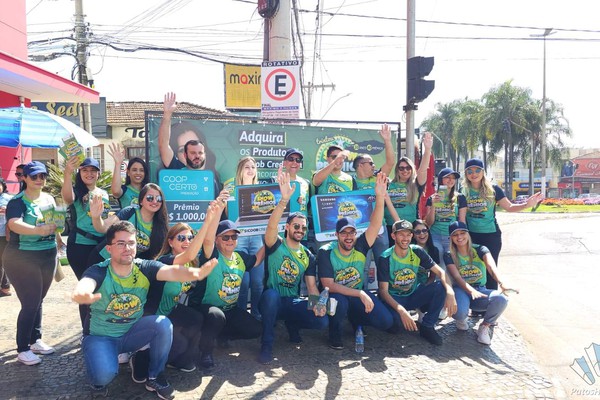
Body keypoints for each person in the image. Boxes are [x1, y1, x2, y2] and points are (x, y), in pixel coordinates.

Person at [71, 220, 218, 398]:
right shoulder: (99, 271)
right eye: (121, 243)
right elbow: (86, 283)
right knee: (104, 376)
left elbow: (171, 271)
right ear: (109, 249)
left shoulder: (144, 267)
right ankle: (97, 382)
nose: (127, 248)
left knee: (162, 324)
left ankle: (155, 376)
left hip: (132, 332)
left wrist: (197, 273)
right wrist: (81, 294)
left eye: (131, 243)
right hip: (102, 336)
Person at [258, 167, 328, 364]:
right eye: (296, 226)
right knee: (271, 296)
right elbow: (271, 226)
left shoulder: (308, 255)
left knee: (322, 321)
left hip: (292, 301)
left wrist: (318, 306)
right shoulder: (275, 244)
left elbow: (312, 287)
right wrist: (284, 200)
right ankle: (267, 343)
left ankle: (292, 324)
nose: (300, 230)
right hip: (272, 301)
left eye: (303, 228)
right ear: (287, 227)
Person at [317, 172, 393, 350]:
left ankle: (356, 320)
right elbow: (329, 285)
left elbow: (374, 225)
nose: (348, 237)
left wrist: (380, 197)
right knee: (339, 301)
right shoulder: (326, 252)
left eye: (351, 232)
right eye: (344, 233)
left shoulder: (360, 245)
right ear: (336, 235)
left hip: (356, 294)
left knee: (386, 322)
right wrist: (360, 293)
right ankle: (334, 332)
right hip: (338, 295)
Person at [190, 199, 264, 369]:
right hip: (205, 309)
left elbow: (258, 259)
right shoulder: (212, 254)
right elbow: (207, 241)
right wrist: (219, 210)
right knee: (216, 316)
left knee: (255, 329)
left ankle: (221, 335)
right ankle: (205, 351)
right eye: (226, 237)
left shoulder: (240, 257)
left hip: (229, 310)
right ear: (217, 240)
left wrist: (271, 241)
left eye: (234, 236)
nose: (230, 240)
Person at [2, 162, 58, 365]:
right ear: (24, 178)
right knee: (31, 302)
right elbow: (13, 223)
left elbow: (55, 221)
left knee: (39, 299)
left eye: (42, 176)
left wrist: (58, 236)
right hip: (22, 257)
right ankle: (23, 348)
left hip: (47, 254)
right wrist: (37, 230)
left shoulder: (49, 198)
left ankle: (35, 340)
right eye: (34, 176)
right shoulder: (17, 201)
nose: (39, 179)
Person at [461, 158, 542, 289]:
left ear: (483, 172)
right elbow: (461, 215)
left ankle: (491, 301)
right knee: (473, 270)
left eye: (477, 170)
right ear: (466, 174)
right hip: (471, 236)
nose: (473, 174)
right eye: (469, 171)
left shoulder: (494, 189)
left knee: (491, 268)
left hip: (491, 236)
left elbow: (509, 207)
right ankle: (476, 302)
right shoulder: (463, 191)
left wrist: (527, 204)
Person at [377, 220, 457, 346]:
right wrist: (401, 311)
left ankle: (428, 326)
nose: (405, 238)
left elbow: (441, 272)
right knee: (395, 327)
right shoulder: (385, 257)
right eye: (401, 234)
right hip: (394, 297)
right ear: (393, 236)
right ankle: (397, 317)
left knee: (441, 286)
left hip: (413, 293)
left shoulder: (417, 250)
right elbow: (383, 291)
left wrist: (450, 292)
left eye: (408, 235)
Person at [443, 221, 514, 345]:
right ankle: (461, 319)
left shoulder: (480, 249)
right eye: (455, 235)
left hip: (480, 289)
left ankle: (485, 326)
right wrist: (471, 290)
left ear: (468, 234)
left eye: (462, 233)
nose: (459, 237)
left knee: (501, 299)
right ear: (451, 238)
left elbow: (491, 267)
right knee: (460, 313)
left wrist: (501, 283)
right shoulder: (449, 254)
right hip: (461, 290)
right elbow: (457, 277)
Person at [62, 156, 110, 328]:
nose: (89, 174)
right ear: (79, 173)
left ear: (98, 173)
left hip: (99, 247)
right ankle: (87, 330)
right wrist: (67, 172)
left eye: (92, 170)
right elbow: (67, 197)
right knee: (86, 287)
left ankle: (100, 327)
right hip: (80, 246)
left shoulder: (103, 194)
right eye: (85, 170)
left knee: (100, 287)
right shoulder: (76, 192)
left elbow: (106, 220)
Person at [224, 156, 266, 320]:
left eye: (253, 167)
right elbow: (229, 216)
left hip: (256, 239)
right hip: (239, 240)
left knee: (257, 283)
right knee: (243, 283)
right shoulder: (232, 190)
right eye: (247, 167)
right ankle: (241, 316)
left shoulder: (263, 191)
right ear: (240, 170)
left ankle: (255, 313)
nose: (250, 170)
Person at [351, 124, 396, 278]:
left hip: (380, 230)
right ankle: (360, 296)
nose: (374, 165)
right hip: (360, 231)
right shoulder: (349, 182)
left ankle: (386, 298)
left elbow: (390, 162)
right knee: (360, 267)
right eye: (370, 163)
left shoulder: (378, 178)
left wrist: (387, 140)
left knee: (384, 265)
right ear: (359, 165)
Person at [88, 183, 169, 264]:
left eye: (158, 198)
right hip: (102, 259)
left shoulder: (160, 226)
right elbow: (103, 228)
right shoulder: (129, 212)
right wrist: (96, 217)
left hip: (124, 267)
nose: (155, 201)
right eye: (150, 198)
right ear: (141, 201)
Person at [158, 92, 220, 193]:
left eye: (200, 153)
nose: (197, 156)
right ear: (185, 154)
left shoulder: (210, 180)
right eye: (193, 153)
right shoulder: (177, 170)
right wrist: (167, 114)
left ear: (205, 154)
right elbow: (163, 145)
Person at [384, 133, 432, 237]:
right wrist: (387, 141)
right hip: (389, 227)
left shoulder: (416, 184)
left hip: (410, 229)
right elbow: (389, 163)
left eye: (408, 168)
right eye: (401, 168)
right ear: (397, 170)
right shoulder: (388, 184)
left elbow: (423, 170)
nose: (405, 170)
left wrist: (427, 149)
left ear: (412, 169)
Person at [425, 167, 467, 266]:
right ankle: (440, 282)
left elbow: (462, 221)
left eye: (453, 178)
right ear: (440, 180)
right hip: (435, 236)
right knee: (440, 263)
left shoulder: (460, 197)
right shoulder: (432, 198)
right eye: (447, 177)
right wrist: (434, 205)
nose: (451, 180)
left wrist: (462, 238)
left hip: (452, 237)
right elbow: (428, 223)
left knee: (452, 264)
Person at [108, 142, 149, 209]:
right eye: (134, 170)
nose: (138, 173)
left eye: (141, 170)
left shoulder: (149, 191)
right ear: (128, 172)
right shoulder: (124, 190)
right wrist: (118, 164)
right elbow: (115, 191)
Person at [280, 148, 311, 218]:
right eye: (291, 159)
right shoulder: (276, 182)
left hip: (302, 227)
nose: (294, 162)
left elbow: (308, 207)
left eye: (298, 160)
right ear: (284, 162)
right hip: (282, 227)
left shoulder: (306, 183)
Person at [0, 178, 13, 297]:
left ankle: (5, 287)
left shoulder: (8, 198)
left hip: (4, 235)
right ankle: (4, 287)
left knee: (3, 261)